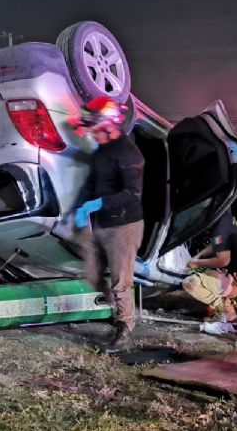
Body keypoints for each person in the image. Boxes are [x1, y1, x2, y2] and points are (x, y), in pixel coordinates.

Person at [70, 96, 145, 353]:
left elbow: (133, 193)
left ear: (109, 125)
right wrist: (80, 207)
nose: (94, 136)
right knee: (92, 271)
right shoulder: (101, 151)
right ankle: (112, 304)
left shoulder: (128, 153)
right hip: (100, 222)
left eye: (96, 131)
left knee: (120, 279)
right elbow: (91, 183)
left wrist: (97, 204)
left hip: (124, 224)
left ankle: (124, 330)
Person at [182, 210, 237, 323]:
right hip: (233, 278)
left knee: (189, 283)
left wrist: (197, 263)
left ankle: (221, 306)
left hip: (232, 282)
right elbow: (216, 245)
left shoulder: (220, 226)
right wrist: (198, 256)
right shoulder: (226, 219)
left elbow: (223, 260)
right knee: (191, 270)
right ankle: (224, 304)